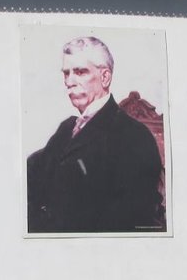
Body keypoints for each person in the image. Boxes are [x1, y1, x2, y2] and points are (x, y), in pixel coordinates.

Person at [27, 36, 165, 233]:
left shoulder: (134, 137)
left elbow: (125, 223)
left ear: (105, 77)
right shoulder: (67, 128)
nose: (69, 81)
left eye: (80, 72)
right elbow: (29, 177)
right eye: (66, 73)